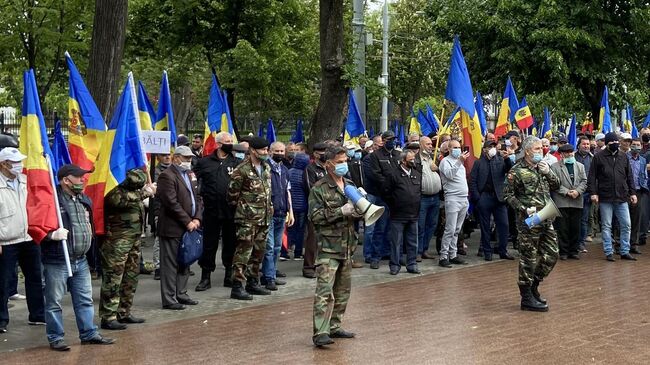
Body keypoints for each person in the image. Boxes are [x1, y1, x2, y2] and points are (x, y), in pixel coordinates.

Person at [42, 164, 114, 350]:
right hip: (57, 259)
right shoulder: (52, 201)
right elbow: (38, 226)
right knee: (54, 302)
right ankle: (56, 337)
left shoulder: (84, 199)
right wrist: (51, 235)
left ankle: (89, 333)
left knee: (84, 299)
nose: (83, 179)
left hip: (80, 259)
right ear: (66, 180)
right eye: (79, 177)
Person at [503, 136, 560, 312]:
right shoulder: (516, 171)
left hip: (546, 216)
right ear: (527, 151)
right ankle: (526, 296)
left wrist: (548, 172)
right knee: (528, 257)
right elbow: (507, 195)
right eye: (536, 149)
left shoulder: (542, 167)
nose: (541, 151)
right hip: (528, 221)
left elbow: (556, 185)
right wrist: (522, 208)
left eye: (541, 148)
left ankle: (534, 284)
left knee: (552, 254)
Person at [309, 146, 358, 347]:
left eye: (345, 160)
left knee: (343, 291)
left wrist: (358, 210)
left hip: (347, 246)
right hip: (329, 247)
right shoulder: (319, 188)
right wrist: (340, 211)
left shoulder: (349, 184)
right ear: (329, 164)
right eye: (339, 162)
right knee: (324, 291)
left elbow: (359, 212)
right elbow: (314, 216)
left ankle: (335, 326)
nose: (343, 164)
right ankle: (320, 331)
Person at [99, 168, 154, 330]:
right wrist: (145, 193)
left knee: (131, 277)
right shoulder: (115, 190)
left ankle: (124, 311)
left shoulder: (133, 191)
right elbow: (118, 201)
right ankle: (108, 316)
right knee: (113, 279)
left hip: (134, 240)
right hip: (117, 242)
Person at [0, 148, 45, 334]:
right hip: (6, 241)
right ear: (3, 164)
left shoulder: (26, 181)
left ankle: (38, 315)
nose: (19, 165)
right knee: (2, 282)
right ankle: (1, 320)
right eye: (14, 161)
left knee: (35, 278)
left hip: (29, 237)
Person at [156, 146, 204, 310]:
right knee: (170, 264)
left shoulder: (191, 174)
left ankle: (181, 293)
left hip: (190, 225)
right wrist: (187, 221)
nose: (188, 161)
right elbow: (171, 203)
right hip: (172, 227)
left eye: (190, 158)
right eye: (185, 158)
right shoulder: (166, 176)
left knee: (185, 260)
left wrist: (197, 217)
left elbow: (198, 197)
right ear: (176, 158)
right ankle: (169, 298)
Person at [228, 137, 273, 300]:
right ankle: (237, 286)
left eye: (267, 150)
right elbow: (232, 195)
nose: (266, 153)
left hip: (265, 217)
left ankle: (253, 282)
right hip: (247, 219)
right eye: (263, 150)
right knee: (243, 253)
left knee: (258, 253)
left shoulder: (266, 167)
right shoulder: (242, 169)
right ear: (253, 150)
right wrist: (245, 209)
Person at [193, 132, 239, 291]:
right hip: (211, 211)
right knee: (209, 244)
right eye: (227, 141)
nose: (230, 143)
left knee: (231, 243)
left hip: (231, 211)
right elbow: (193, 181)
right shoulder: (204, 162)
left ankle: (229, 275)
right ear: (219, 144)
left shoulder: (237, 162)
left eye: (231, 141)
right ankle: (205, 277)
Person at [588, 132, 637, 261]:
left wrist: (632, 193)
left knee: (626, 224)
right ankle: (608, 251)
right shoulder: (598, 157)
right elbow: (592, 177)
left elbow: (629, 176)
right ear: (606, 143)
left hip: (622, 196)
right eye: (612, 143)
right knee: (606, 225)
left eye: (616, 142)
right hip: (605, 196)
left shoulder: (623, 157)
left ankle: (624, 251)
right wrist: (593, 193)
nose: (615, 144)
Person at [469, 139, 515, 261]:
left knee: (504, 225)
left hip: (499, 198)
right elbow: (472, 181)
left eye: (495, 146)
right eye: (490, 146)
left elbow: (510, 170)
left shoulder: (500, 160)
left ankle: (503, 251)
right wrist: (477, 198)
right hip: (484, 197)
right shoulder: (479, 163)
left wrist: (507, 158)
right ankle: (487, 251)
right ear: (485, 149)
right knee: (485, 227)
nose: (493, 148)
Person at [364, 131, 400, 269]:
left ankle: (392, 254)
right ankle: (375, 257)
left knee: (394, 228)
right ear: (384, 141)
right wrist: (389, 186)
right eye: (389, 139)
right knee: (380, 227)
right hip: (382, 195)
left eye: (394, 139)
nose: (392, 141)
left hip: (396, 197)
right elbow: (376, 175)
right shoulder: (375, 156)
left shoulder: (397, 154)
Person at [261, 141, 294, 291]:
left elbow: (288, 191)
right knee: (269, 247)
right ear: (270, 151)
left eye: (282, 151)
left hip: (282, 212)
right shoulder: (264, 168)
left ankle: (272, 273)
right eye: (277, 151)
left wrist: (290, 211)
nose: (280, 153)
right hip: (269, 213)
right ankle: (268, 278)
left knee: (277, 247)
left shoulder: (285, 170)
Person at [384, 150, 422, 274]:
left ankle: (412, 264)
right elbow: (387, 193)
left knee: (412, 242)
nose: (413, 161)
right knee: (396, 242)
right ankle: (395, 265)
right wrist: (395, 204)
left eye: (414, 159)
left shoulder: (416, 174)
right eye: (410, 159)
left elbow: (418, 191)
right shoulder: (393, 175)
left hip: (413, 214)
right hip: (398, 215)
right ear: (403, 161)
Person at [550, 144, 587, 260]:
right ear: (562, 154)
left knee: (575, 227)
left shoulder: (580, 166)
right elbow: (554, 184)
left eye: (571, 152)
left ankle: (574, 250)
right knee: (563, 228)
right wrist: (566, 192)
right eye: (567, 152)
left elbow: (584, 181)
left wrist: (577, 191)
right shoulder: (555, 166)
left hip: (577, 200)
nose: (570, 154)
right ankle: (563, 251)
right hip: (562, 201)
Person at [438, 139, 470, 268]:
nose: (458, 149)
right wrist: (459, 161)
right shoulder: (445, 162)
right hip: (452, 198)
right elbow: (450, 175)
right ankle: (443, 256)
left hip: (463, 198)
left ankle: (453, 254)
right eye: (455, 147)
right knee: (450, 229)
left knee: (457, 229)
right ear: (449, 149)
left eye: (459, 147)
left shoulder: (460, 163)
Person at [302, 143, 328, 278]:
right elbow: (310, 188)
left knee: (326, 239)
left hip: (330, 209)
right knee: (313, 239)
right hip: (316, 208)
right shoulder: (310, 169)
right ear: (316, 154)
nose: (325, 154)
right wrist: (328, 195)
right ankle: (308, 267)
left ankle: (322, 265)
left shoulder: (330, 167)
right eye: (322, 152)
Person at [414, 136, 441, 260]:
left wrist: (438, 168)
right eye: (428, 144)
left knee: (432, 224)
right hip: (423, 197)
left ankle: (424, 249)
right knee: (420, 225)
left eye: (431, 144)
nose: (431, 146)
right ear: (420, 145)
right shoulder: (416, 160)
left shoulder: (432, 158)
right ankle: (417, 251)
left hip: (435, 197)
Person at [149, 153, 172, 280]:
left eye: (169, 155)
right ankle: (158, 267)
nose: (167, 157)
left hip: (174, 210)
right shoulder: (155, 171)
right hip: (160, 209)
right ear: (158, 157)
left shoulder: (175, 169)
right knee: (159, 239)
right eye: (164, 155)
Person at [286, 153, 310, 261]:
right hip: (302, 206)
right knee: (300, 230)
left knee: (289, 229)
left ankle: (284, 251)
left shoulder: (289, 172)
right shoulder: (305, 174)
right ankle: (298, 253)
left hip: (290, 206)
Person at [627, 138, 647, 254]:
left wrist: (643, 186)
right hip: (627, 192)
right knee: (624, 220)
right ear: (630, 145)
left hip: (639, 191)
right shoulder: (624, 158)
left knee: (636, 219)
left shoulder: (643, 160)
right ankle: (622, 244)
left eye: (638, 145)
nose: (636, 147)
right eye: (634, 145)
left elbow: (644, 175)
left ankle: (634, 244)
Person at [575, 136, 594, 250]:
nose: (586, 146)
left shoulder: (593, 158)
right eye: (584, 144)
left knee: (584, 219)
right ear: (579, 145)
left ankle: (581, 243)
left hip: (587, 193)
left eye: (588, 144)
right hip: (574, 192)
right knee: (574, 219)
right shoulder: (573, 156)